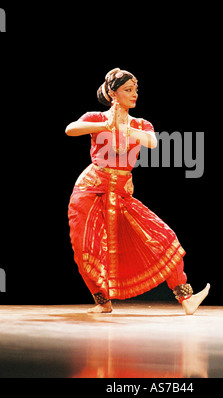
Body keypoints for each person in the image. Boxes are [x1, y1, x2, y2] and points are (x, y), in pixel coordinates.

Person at [66, 68, 210, 315]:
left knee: (163, 238)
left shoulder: (141, 124)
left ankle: (186, 299)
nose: (134, 95)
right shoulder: (96, 118)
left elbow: (152, 142)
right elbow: (70, 129)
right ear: (113, 93)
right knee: (86, 248)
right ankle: (103, 302)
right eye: (128, 90)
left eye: (135, 90)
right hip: (90, 191)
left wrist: (126, 130)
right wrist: (106, 124)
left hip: (121, 193)